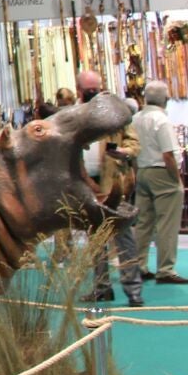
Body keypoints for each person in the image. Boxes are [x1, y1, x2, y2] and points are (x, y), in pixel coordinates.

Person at [75, 71, 141, 306]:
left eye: (97, 88)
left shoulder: (116, 112)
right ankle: (102, 287)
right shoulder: (74, 115)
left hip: (114, 184)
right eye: (89, 90)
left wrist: (124, 152)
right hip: (86, 185)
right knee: (95, 239)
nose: (94, 93)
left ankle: (134, 290)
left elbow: (134, 143)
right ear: (79, 90)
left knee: (123, 236)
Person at [131, 81, 188, 285]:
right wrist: (177, 178)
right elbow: (168, 155)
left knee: (143, 222)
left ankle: (138, 265)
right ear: (166, 99)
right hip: (162, 172)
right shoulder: (161, 120)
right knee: (167, 223)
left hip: (142, 170)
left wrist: (137, 172)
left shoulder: (135, 119)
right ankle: (165, 269)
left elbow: (132, 149)